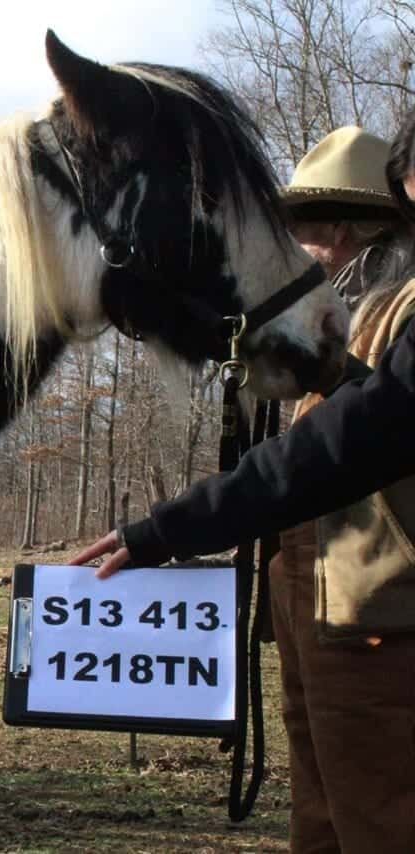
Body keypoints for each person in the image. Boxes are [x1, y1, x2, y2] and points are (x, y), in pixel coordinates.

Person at [72, 120, 415, 854]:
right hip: (315, 606)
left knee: (383, 820)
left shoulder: (400, 312)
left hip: (383, 622)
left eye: (318, 229)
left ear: (370, 232)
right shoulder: (331, 327)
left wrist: (171, 527)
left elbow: (351, 444)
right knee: (323, 819)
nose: (304, 249)